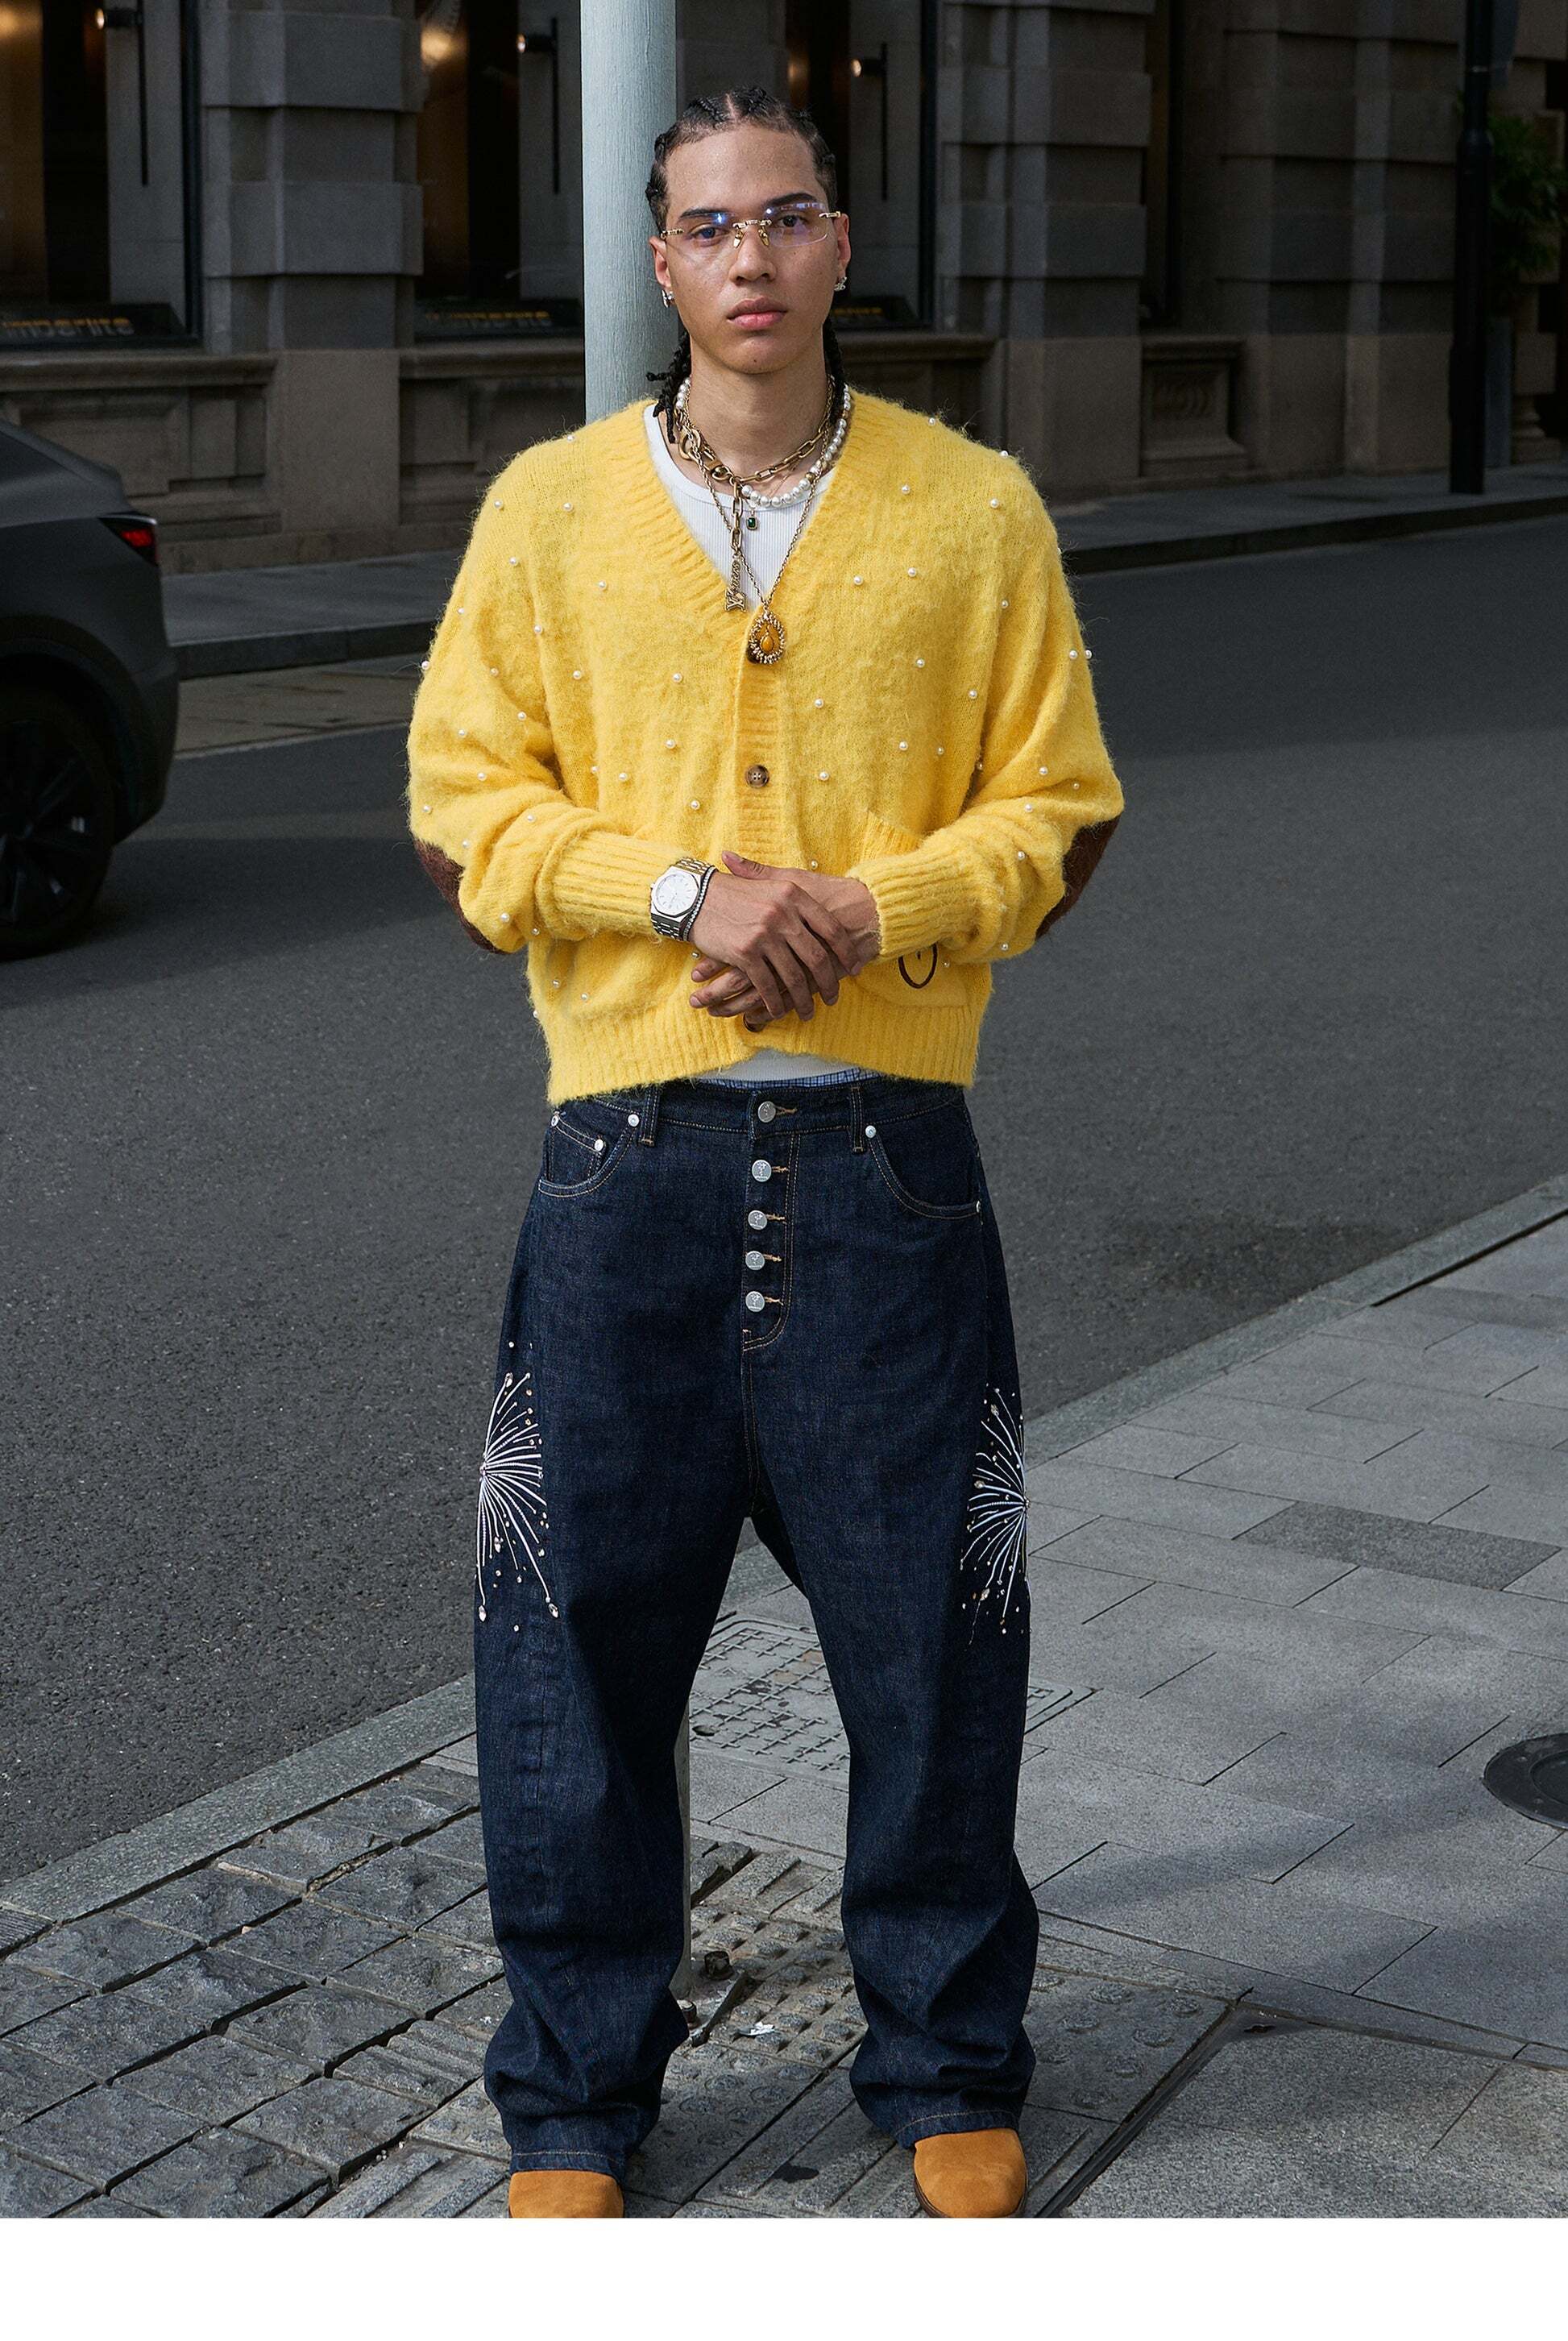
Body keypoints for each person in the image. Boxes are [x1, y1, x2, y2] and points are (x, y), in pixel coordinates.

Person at [405, 85, 1124, 2220]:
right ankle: (572, 2090)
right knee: (571, 1644)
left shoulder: (972, 507)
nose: (749, 258)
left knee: (934, 1636)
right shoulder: (547, 510)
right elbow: (461, 801)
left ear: (837, 246)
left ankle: (946, 2056)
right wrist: (674, 891)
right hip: (618, 1164)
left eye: (785, 217)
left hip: (885, 1166)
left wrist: (864, 911)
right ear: (659, 261)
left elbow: (1060, 806)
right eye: (708, 226)